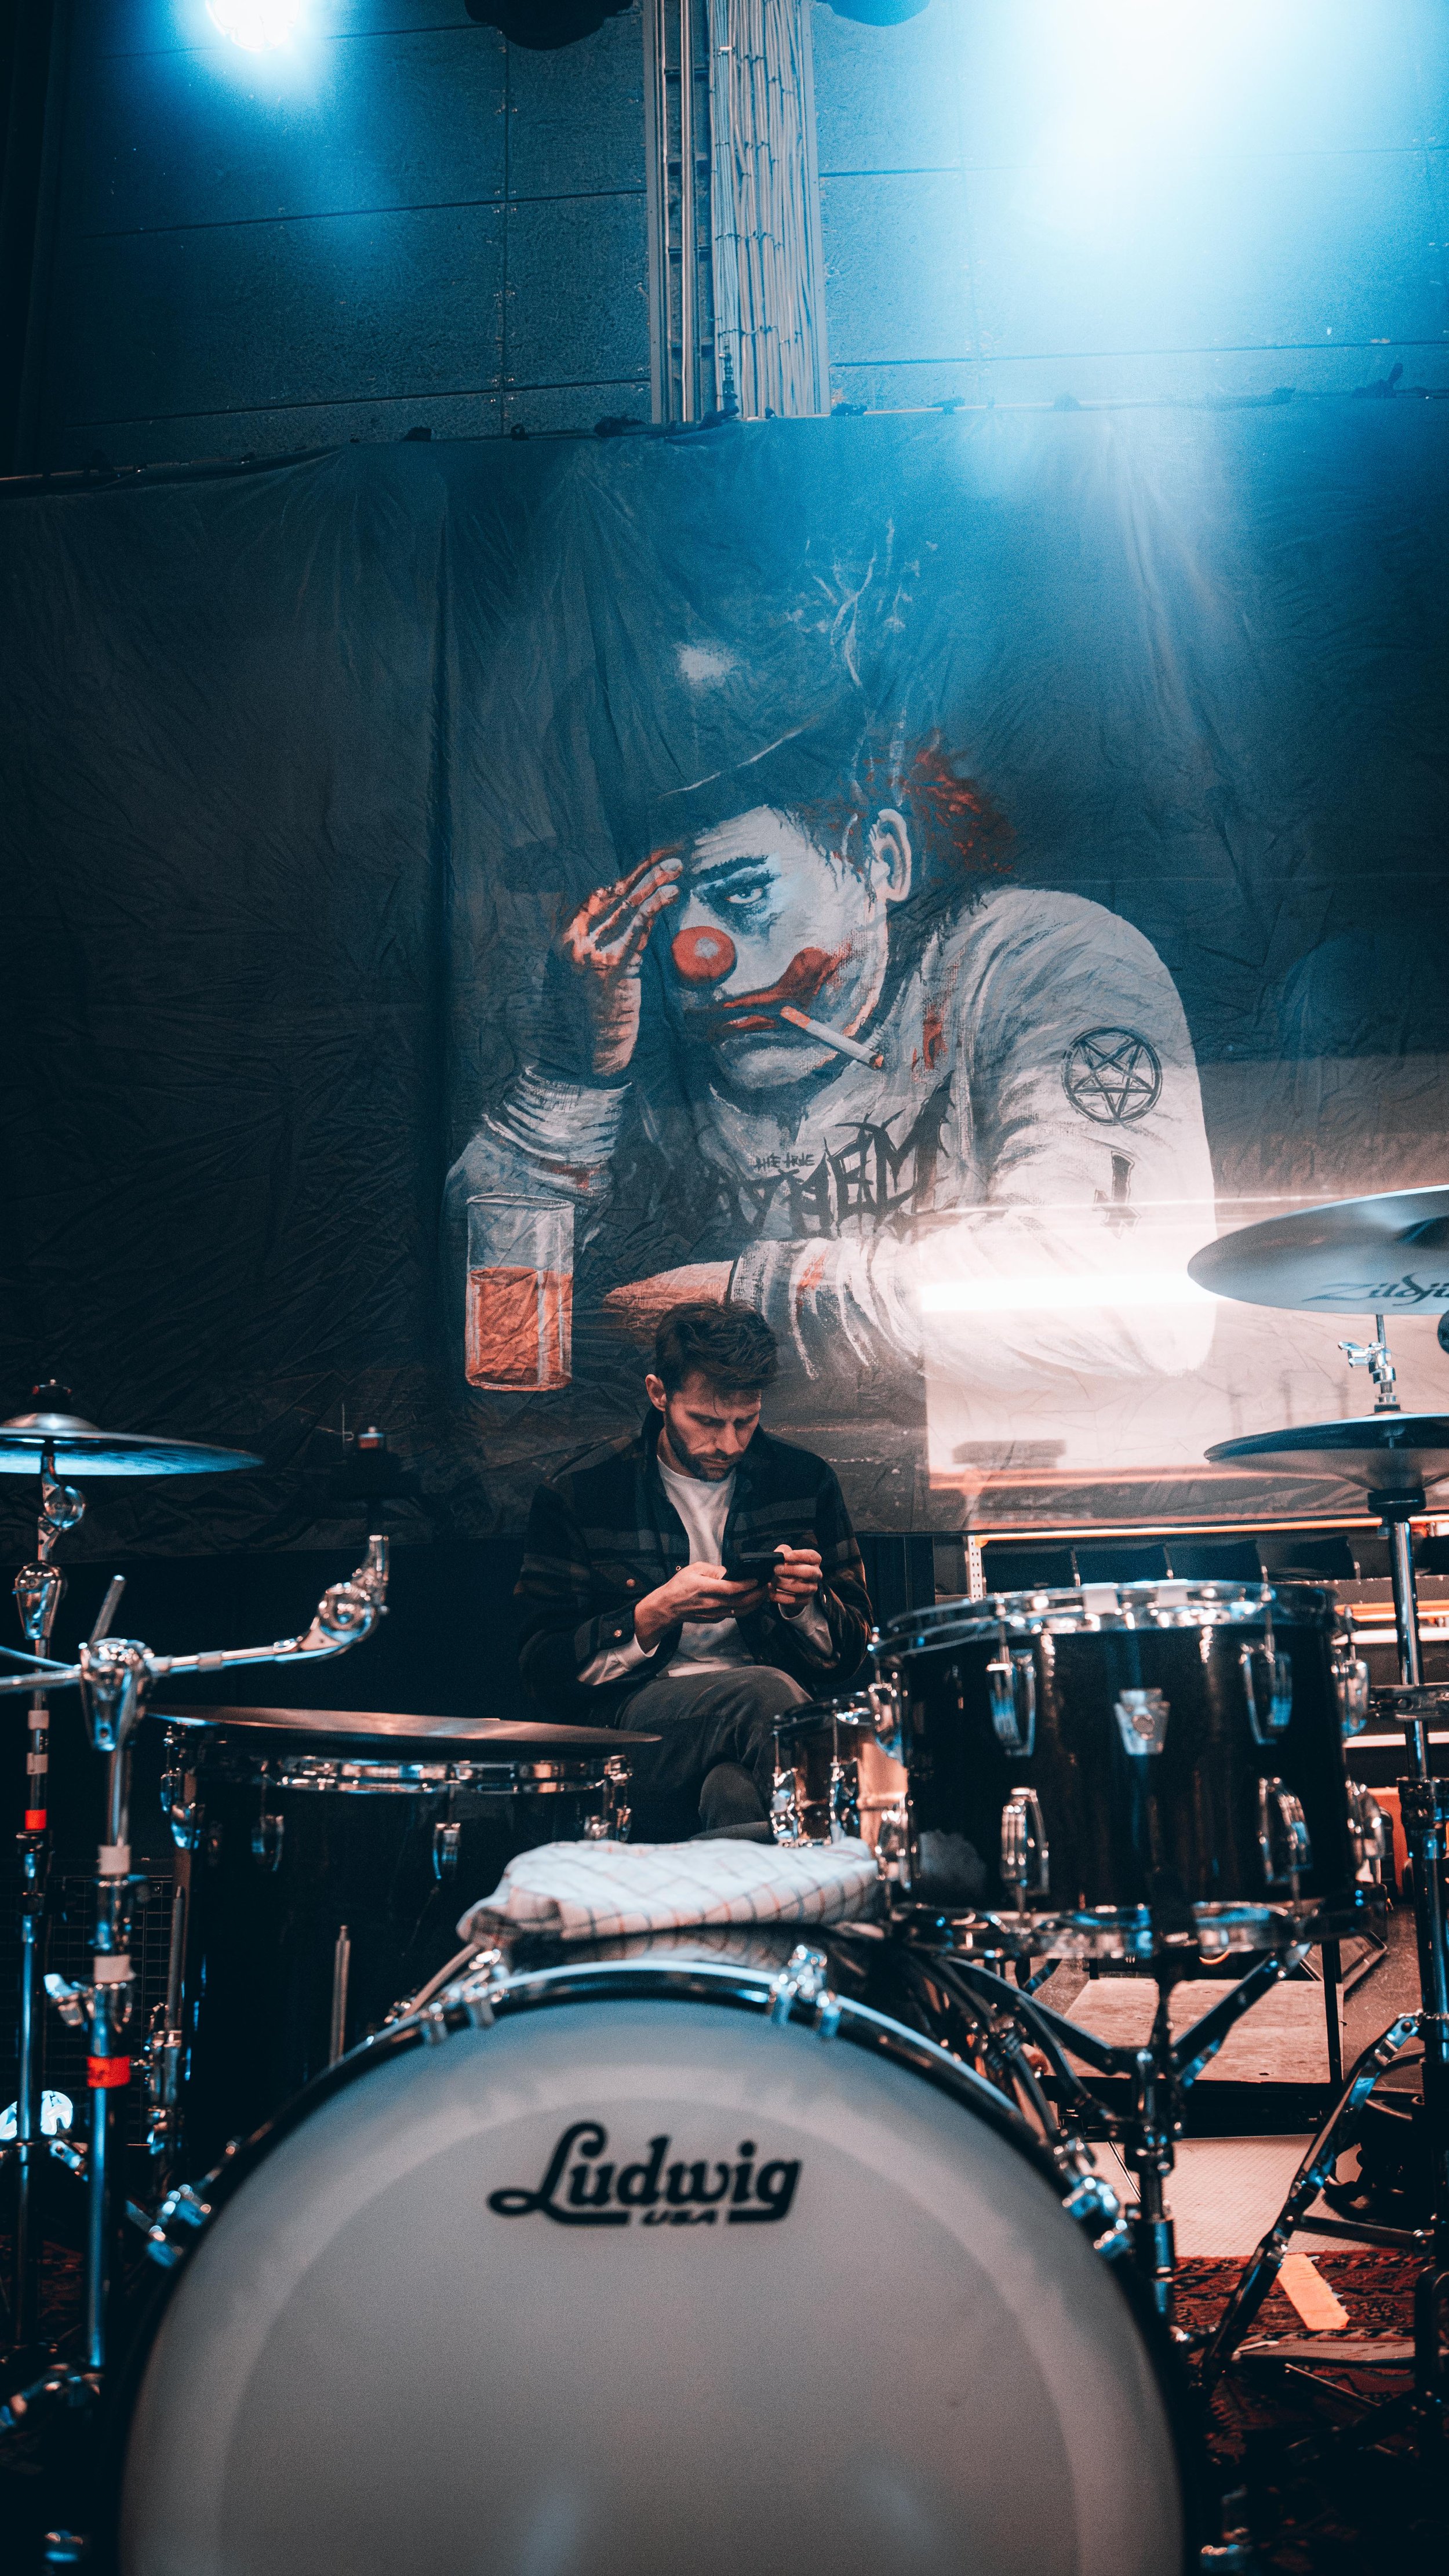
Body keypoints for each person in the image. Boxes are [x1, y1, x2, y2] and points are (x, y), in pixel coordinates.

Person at [446, 712, 1217, 1491]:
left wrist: (756, 1302)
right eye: (657, 914)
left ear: (881, 861)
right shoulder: (619, 1012)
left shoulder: (1043, 966)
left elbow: (1136, 1302)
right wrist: (573, 1076)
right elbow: (506, 1354)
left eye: (745, 892)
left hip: (1003, 1493)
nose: (697, 958)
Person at [514, 1300, 872, 1840]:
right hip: (635, 1739)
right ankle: (848, 1860)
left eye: (745, 1422)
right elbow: (542, 1672)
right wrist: (652, 1615)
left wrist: (805, 1610)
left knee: (732, 1793)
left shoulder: (801, 1482)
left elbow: (854, 1657)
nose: (727, 1443)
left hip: (765, 1734)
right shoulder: (585, 1491)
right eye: (706, 1421)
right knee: (762, 1694)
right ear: (660, 1394)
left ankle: (739, 1903)